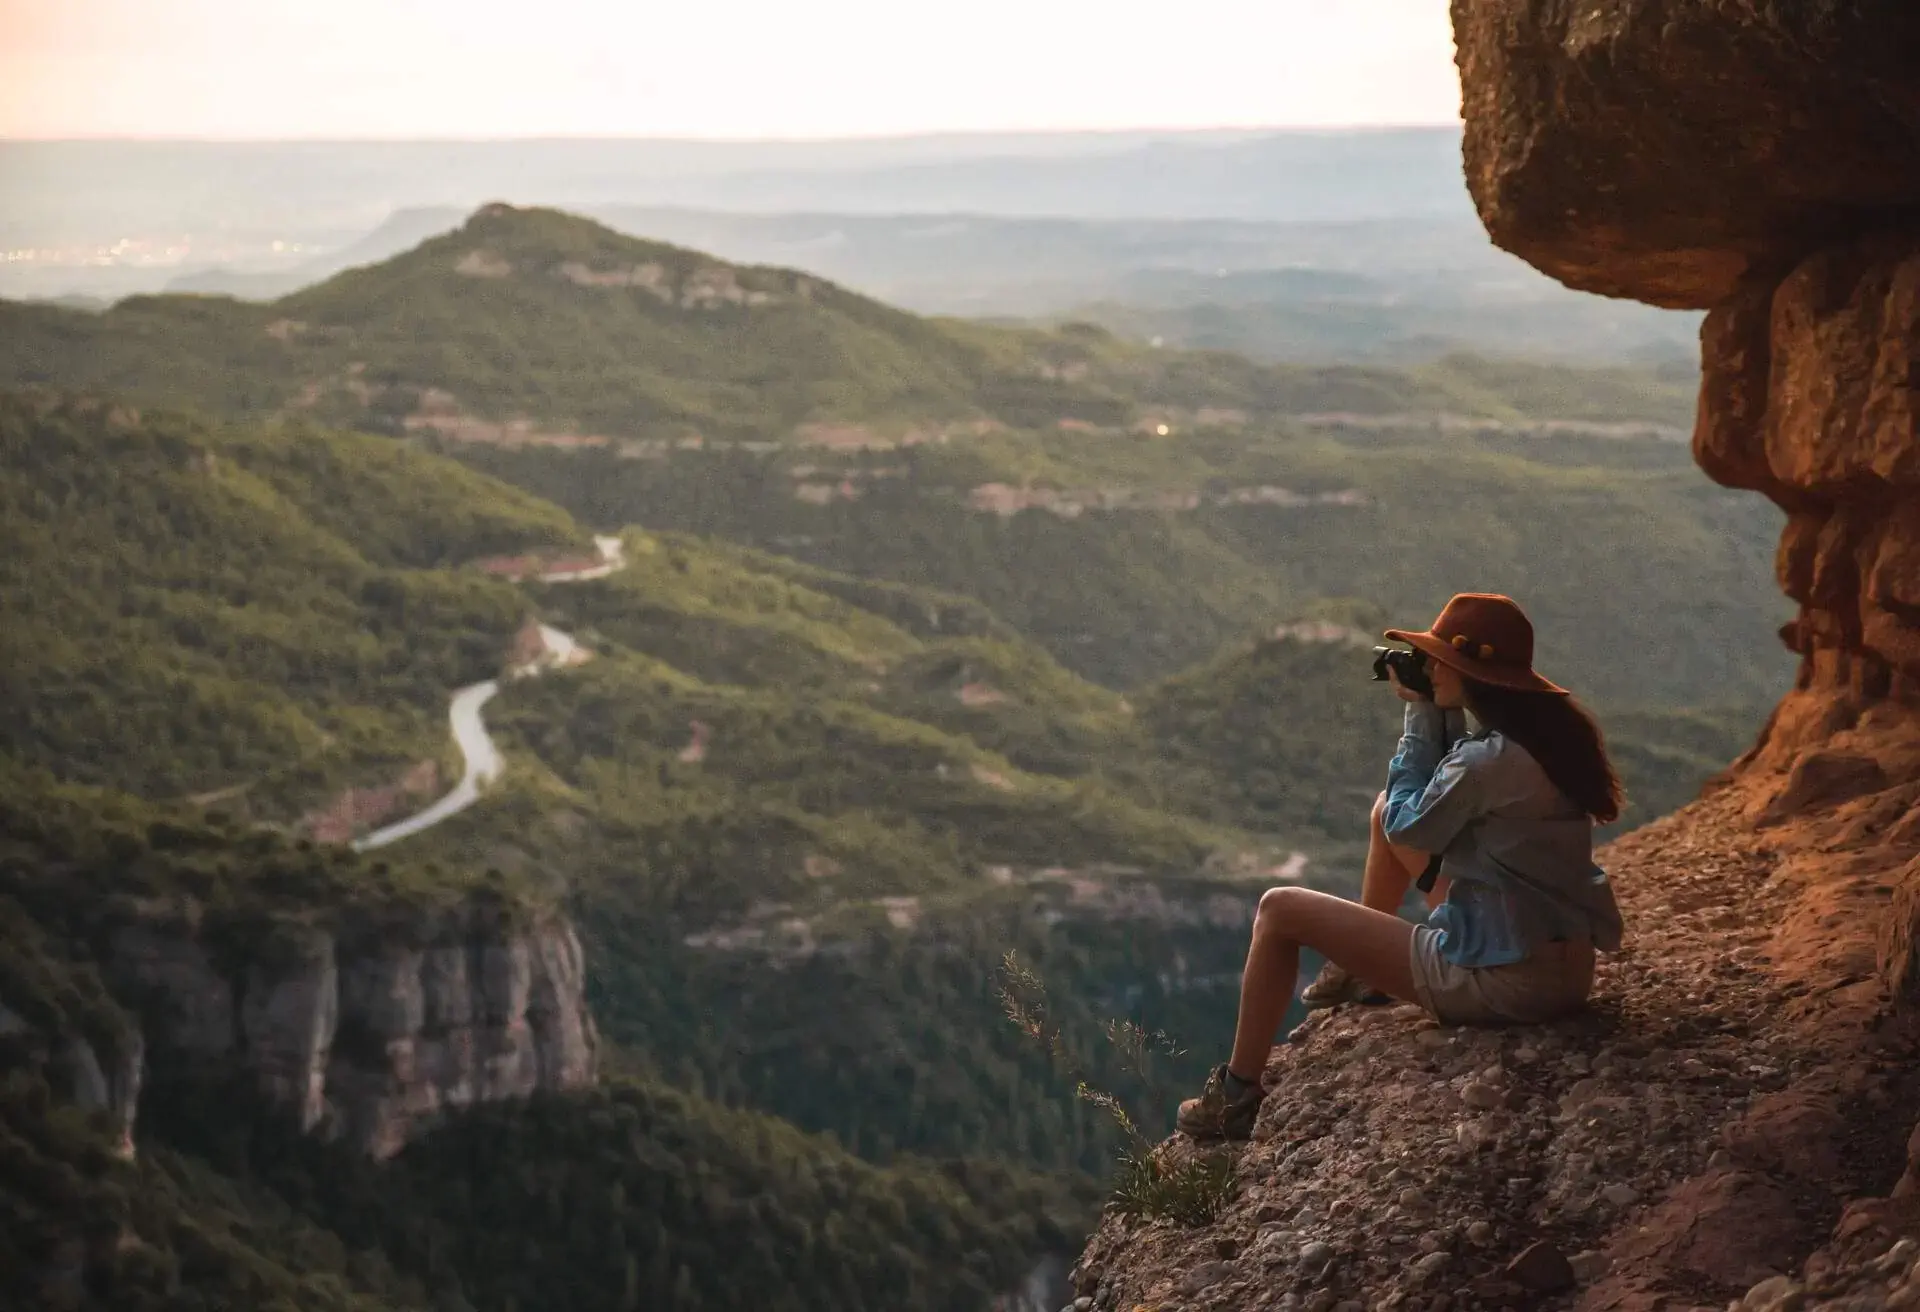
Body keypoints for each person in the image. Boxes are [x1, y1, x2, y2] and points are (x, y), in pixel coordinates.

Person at [1176, 592, 1626, 1141]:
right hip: (1555, 966)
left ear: (1472, 671)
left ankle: (1236, 1096)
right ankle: (1364, 977)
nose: (1430, 668)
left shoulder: (1488, 762)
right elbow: (1422, 807)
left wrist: (1420, 713)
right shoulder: (1535, 743)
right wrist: (1440, 708)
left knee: (1278, 910)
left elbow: (1413, 828)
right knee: (1384, 807)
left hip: (1504, 983)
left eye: (1439, 661)